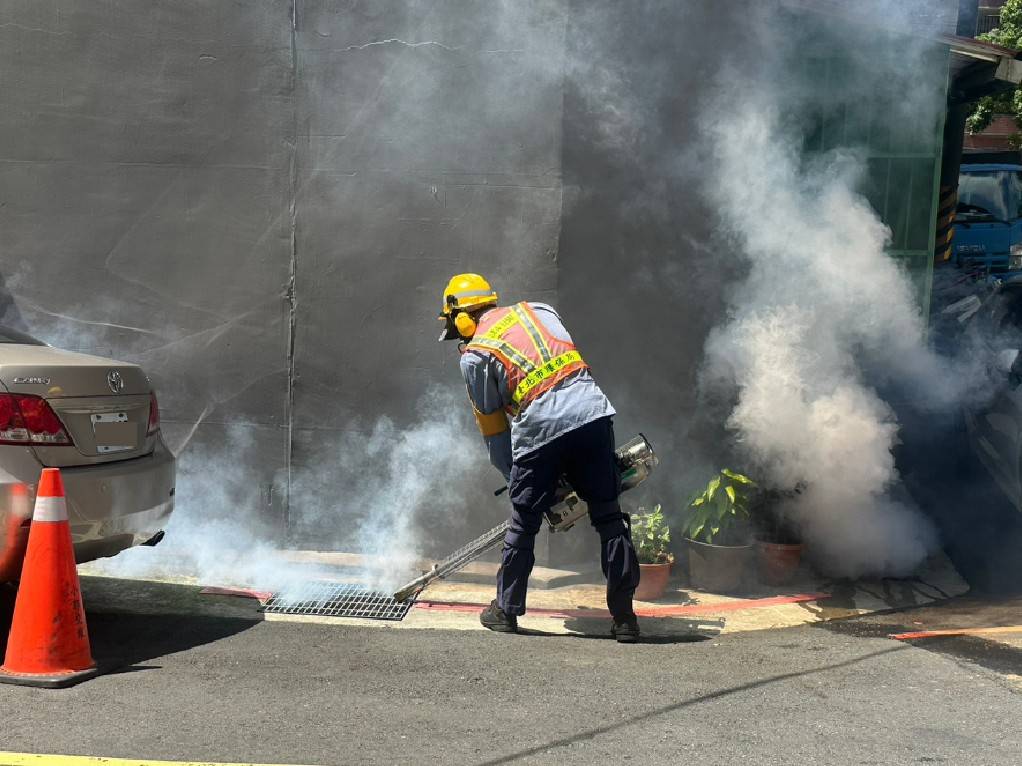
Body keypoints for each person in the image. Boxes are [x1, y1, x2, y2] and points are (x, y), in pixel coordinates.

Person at [437, 273, 641, 642]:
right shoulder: (540, 310)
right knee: (609, 516)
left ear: (462, 317)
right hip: (592, 415)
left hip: (538, 432)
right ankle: (625, 619)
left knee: (523, 524)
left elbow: (495, 431)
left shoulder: (476, 355)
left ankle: (506, 611)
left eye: (455, 327)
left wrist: (515, 477)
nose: (459, 336)